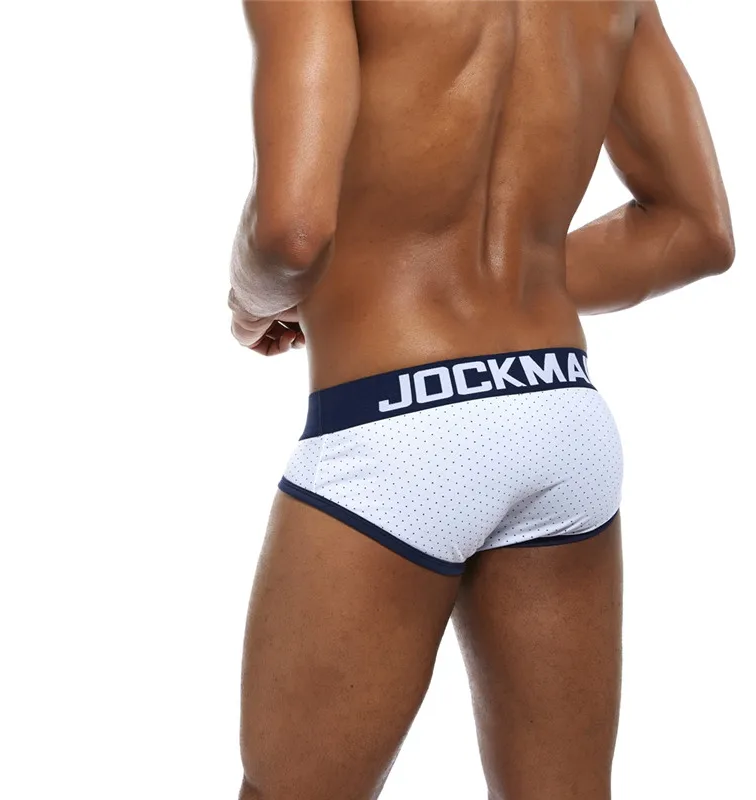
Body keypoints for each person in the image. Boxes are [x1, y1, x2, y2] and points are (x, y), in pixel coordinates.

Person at [227, 1, 734, 798]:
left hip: (396, 422)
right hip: (558, 409)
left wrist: (249, 301)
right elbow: (698, 228)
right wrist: (517, 273)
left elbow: (291, 232)